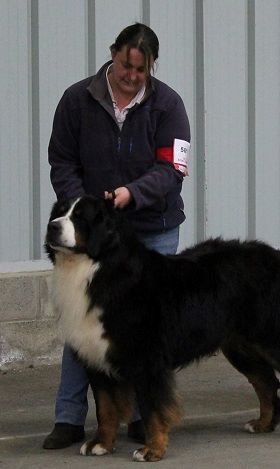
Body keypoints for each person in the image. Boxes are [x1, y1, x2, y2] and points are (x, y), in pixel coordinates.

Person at [43, 23, 191, 449]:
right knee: (83, 326)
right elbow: (62, 159)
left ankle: (143, 420)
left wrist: (132, 194)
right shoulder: (77, 99)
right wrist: (83, 207)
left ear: (151, 68)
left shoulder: (169, 105)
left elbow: (172, 168)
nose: (131, 75)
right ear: (113, 54)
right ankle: (69, 418)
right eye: (126, 65)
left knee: (145, 338)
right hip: (95, 235)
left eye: (141, 70)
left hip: (153, 230)